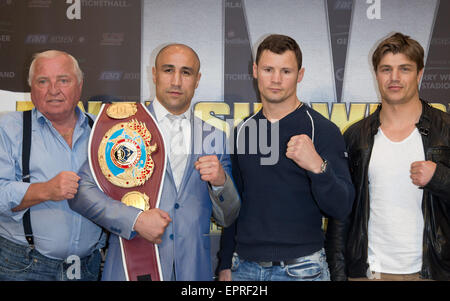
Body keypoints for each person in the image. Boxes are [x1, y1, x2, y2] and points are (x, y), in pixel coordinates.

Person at [69, 44, 240, 281]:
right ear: (154, 74)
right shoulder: (123, 128)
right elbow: (82, 193)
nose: (177, 81)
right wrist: (134, 220)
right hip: (131, 268)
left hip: (193, 273)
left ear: (198, 79)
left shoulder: (214, 137)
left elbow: (227, 216)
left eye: (186, 72)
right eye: (168, 70)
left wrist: (221, 183)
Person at [217, 34, 354, 281]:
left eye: (286, 71)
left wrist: (318, 167)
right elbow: (235, 205)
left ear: (300, 75)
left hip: (301, 269)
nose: (276, 79)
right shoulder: (243, 131)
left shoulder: (321, 129)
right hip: (243, 268)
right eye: (269, 69)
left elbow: (341, 206)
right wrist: (226, 262)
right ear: (255, 70)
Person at [326, 32, 450, 281]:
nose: (394, 78)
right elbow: (342, 215)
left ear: (420, 73)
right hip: (369, 273)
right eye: (386, 69)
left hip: (432, 272)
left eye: (404, 69)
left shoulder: (445, 130)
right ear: (376, 74)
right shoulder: (355, 136)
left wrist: (440, 177)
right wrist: (339, 275)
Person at [0, 50, 105, 281]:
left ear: (79, 85)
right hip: (22, 266)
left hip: (88, 267)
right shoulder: (7, 128)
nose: (53, 90)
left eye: (63, 80)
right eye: (43, 81)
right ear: (31, 88)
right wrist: (45, 190)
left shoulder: (104, 133)